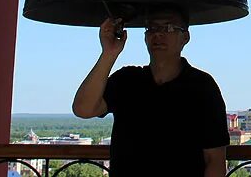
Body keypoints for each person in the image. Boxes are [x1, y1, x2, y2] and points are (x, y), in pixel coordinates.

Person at [73, 10, 229, 176]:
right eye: (152, 28)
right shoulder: (127, 80)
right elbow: (83, 109)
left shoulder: (202, 87)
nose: (158, 34)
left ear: (185, 38)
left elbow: (215, 160)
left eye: (168, 28)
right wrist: (109, 54)